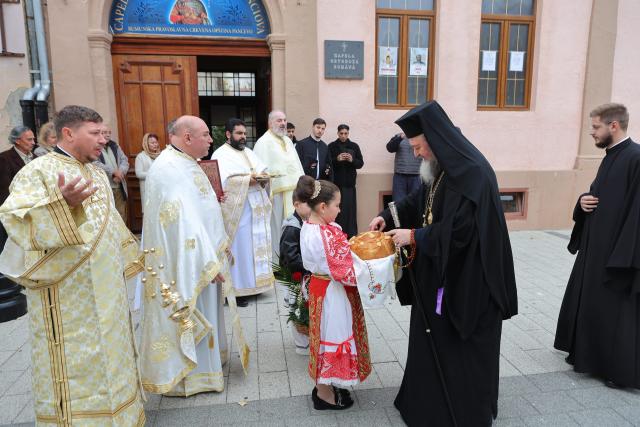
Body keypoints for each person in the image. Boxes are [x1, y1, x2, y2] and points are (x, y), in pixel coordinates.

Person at [369, 101, 518, 426]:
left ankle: (460, 411)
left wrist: (416, 237)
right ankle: (427, 401)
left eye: (419, 147)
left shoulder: (474, 173)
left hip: (469, 282)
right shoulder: (441, 167)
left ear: (436, 140)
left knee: (459, 348)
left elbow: (464, 230)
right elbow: (419, 201)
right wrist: (386, 215)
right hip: (439, 271)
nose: (418, 154)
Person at [0, 105, 145, 425]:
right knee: (79, 365)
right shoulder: (38, 171)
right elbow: (14, 219)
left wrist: (133, 260)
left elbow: (109, 223)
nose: (102, 141)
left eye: (103, 134)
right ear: (68, 133)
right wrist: (61, 206)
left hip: (108, 290)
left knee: (114, 354)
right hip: (67, 296)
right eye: (94, 134)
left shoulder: (95, 172)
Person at [139, 115, 249, 397]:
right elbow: (181, 225)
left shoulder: (185, 162)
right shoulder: (168, 168)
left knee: (210, 310)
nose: (211, 140)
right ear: (187, 137)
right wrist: (208, 264)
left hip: (203, 256)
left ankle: (208, 366)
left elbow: (198, 208)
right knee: (195, 310)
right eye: (205, 135)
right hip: (187, 265)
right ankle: (193, 376)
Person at [555, 103, 640, 389]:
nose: (592, 132)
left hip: (617, 254)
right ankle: (589, 357)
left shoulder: (636, 157)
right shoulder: (611, 156)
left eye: (595, 127)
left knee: (615, 313)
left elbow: (636, 213)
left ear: (613, 126)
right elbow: (597, 194)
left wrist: (623, 257)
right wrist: (583, 201)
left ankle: (615, 369)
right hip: (597, 247)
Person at [298, 176, 371, 411]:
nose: (340, 210)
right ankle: (323, 393)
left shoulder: (315, 226)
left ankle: (327, 384)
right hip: (331, 292)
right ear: (322, 207)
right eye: (337, 205)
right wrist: (374, 265)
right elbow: (346, 270)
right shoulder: (324, 234)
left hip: (323, 288)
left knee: (323, 335)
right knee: (333, 333)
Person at [212, 118, 275, 307]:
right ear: (228, 134)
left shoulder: (248, 152)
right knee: (241, 247)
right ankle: (238, 290)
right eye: (239, 133)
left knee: (253, 246)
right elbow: (222, 183)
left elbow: (262, 169)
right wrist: (248, 180)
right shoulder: (220, 154)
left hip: (255, 208)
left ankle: (256, 284)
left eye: (245, 134)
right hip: (238, 212)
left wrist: (264, 177)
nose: (243, 137)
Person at [253, 110, 304, 262]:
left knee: (295, 227)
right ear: (270, 123)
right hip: (277, 195)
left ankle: (293, 260)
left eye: (284, 120)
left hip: (294, 194)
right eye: (279, 120)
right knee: (278, 228)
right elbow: (260, 171)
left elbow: (297, 165)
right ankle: (277, 263)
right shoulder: (263, 142)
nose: (283, 123)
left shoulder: (288, 141)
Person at [280, 184, 312, 355]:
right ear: (296, 204)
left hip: (303, 275)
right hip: (295, 276)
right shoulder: (293, 227)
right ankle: (301, 345)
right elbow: (290, 256)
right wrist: (307, 267)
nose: (311, 208)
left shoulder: (304, 222)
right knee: (297, 307)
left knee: (304, 306)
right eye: (307, 204)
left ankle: (307, 339)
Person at [0, 126, 35, 251]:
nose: (33, 142)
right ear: (17, 141)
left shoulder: (35, 157)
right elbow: (4, 188)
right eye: (29, 140)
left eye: (33, 139)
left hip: (34, 208)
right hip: (16, 209)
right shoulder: (4, 158)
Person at [328, 124, 364, 238]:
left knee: (349, 212)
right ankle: (336, 235)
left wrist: (352, 160)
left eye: (346, 133)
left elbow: (360, 164)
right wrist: (337, 159)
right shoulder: (332, 146)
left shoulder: (354, 146)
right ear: (338, 133)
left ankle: (350, 235)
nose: (343, 136)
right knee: (337, 212)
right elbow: (327, 163)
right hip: (336, 185)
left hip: (349, 186)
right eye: (341, 133)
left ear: (348, 133)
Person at [94, 125, 129, 221]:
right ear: (98, 134)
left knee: (121, 215)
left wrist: (120, 173)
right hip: (104, 187)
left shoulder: (115, 146)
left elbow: (124, 160)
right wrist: (113, 172)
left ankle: (122, 236)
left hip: (119, 186)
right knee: (108, 217)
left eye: (109, 132)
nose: (107, 135)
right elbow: (94, 163)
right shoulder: (94, 146)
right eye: (104, 132)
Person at [386, 131, 422, 202]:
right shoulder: (399, 136)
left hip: (416, 176)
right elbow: (389, 148)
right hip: (399, 176)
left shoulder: (422, 137)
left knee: (415, 202)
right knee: (398, 203)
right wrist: (401, 137)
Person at [135, 132, 161, 211]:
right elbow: (139, 174)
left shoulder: (161, 156)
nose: (155, 144)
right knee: (149, 213)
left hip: (160, 189)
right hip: (148, 190)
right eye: (152, 143)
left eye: (156, 142)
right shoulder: (141, 156)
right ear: (146, 143)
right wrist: (154, 174)